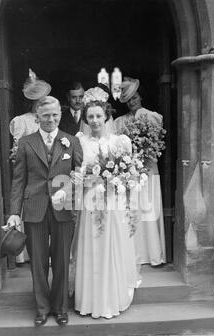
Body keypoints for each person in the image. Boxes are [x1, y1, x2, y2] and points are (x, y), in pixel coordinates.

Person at [7, 96, 83, 327]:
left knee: (61, 260)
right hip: (34, 209)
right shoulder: (26, 142)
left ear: (60, 114)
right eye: (46, 115)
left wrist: (74, 186)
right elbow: (19, 180)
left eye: (55, 115)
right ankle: (41, 308)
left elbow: (79, 174)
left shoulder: (71, 141)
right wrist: (14, 212)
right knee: (38, 262)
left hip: (62, 208)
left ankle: (60, 308)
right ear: (37, 116)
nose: (51, 119)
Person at [73, 91, 140, 319]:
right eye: (90, 117)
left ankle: (112, 296)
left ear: (106, 117)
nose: (94, 121)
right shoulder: (79, 141)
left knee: (111, 245)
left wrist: (115, 178)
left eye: (98, 116)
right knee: (91, 244)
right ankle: (90, 299)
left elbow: (128, 174)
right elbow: (77, 171)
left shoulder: (119, 142)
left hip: (112, 202)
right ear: (85, 119)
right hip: (91, 201)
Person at [115, 78, 166, 267]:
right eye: (128, 100)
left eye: (134, 97)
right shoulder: (121, 122)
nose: (132, 102)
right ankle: (134, 254)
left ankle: (152, 254)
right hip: (131, 170)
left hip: (148, 168)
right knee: (133, 208)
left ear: (140, 97)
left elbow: (156, 141)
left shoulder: (152, 116)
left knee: (149, 208)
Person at [9, 69, 52, 264]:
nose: (42, 102)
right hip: (31, 175)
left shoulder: (51, 119)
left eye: (44, 99)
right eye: (38, 100)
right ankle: (29, 254)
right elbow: (18, 152)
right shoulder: (21, 121)